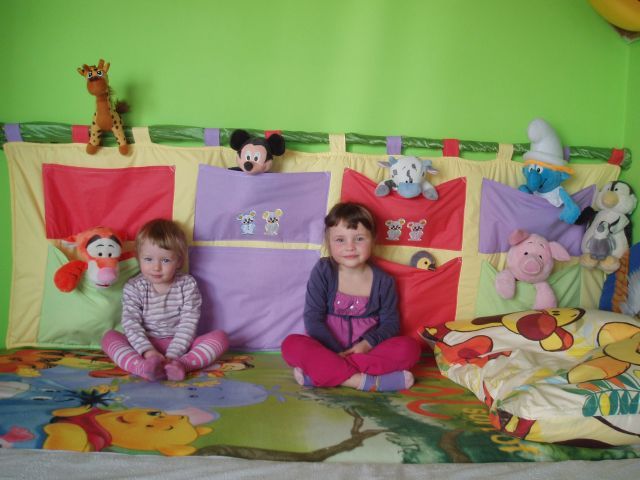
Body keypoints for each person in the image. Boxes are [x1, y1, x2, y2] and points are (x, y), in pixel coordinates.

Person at [281, 202, 421, 392]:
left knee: (410, 348)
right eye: (340, 240)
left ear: (373, 239)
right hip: (326, 349)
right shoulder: (323, 271)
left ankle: (318, 375)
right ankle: (362, 381)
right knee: (291, 345)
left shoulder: (384, 281)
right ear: (328, 242)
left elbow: (391, 324)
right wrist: (336, 352)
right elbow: (313, 319)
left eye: (359, 238)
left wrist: (367, 344)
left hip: (366, 352)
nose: (350, 247)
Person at [102, 218, 228, 381]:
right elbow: (131, 323)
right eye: (148, 259)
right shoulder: (133, 287)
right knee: (109, 337)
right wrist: (149, 352)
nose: (156, 267)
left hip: (181, 345)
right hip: (144, 345)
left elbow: (189, 323)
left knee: (220, 337)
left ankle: (182, 365)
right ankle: (141, 367)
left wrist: (173, 355)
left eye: (165, 260)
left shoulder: (187, 285)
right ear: (138, 258)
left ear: (179, 261)